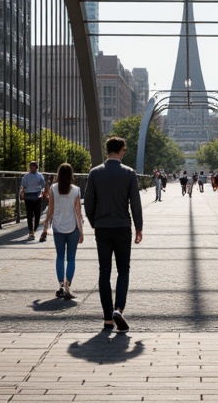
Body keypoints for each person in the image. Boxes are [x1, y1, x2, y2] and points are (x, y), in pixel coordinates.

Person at [84, 136, 143, 332]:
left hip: (102, 228)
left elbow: (89, 202)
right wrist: (139, 227)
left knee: (104, 272)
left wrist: (95, 223)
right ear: (122, 151)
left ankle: (108, 318)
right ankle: (119, 309)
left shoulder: (94, 173)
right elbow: (135, 203)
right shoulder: (129, 173)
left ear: (107, 149)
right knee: (123, 269)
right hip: (122, 227)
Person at [40, 163, 83, 298]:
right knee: (71, 259)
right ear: (71, 175)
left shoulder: (53, 189)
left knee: (60, 256)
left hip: (58, 227)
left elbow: (50, 211)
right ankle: (68, 285)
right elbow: (78, 213)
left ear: (58, 174)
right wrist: (81, 232)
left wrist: (45, 229)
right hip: (73, 228)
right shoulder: (76, 190)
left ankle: (60, 285)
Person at [19, 161, 48, 241]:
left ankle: (34, 229)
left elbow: (43, 186)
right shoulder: (26, 177)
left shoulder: (40, 176)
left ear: (36, 167)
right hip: (28, 196)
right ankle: (31, 231)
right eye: (31, 166)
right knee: (29, 215)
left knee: (37, 214)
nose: (32, 168)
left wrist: (43, 193)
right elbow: (23, 187)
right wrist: (22, 194)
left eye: (33, 166)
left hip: (37, 196)